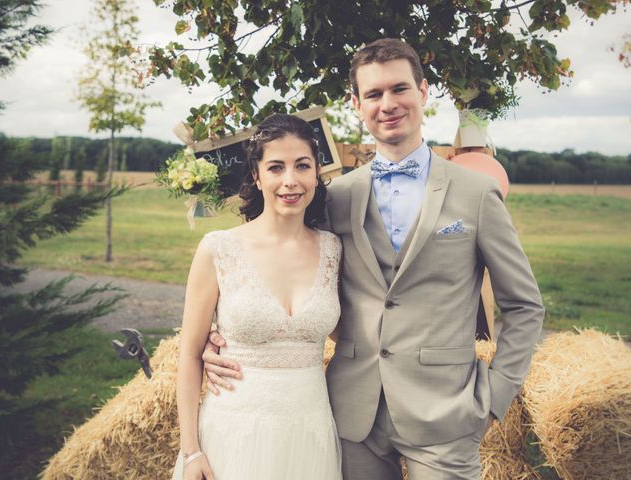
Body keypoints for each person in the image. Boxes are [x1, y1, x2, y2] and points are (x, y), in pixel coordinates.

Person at [204, 38, 544, 480]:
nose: (388, 104)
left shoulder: (476, 194)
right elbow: (283, 262)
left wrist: (495, 397)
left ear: (423, 92)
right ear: (356, 104)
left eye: (399, 89)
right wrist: (222, 333)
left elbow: (524, 305)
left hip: (446, 416)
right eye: (374, 94)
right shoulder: (336, 196)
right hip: (352, 415)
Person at [172, 113, 343, 480]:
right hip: (234, 435)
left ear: (317, 173)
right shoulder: (218, 248)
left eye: (302, 166)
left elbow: (349, 333)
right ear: (256, 175)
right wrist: (191, 452)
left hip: (309, 437)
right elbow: (189, 355)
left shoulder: (333, 250)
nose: (290, 181)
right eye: (276, 167)